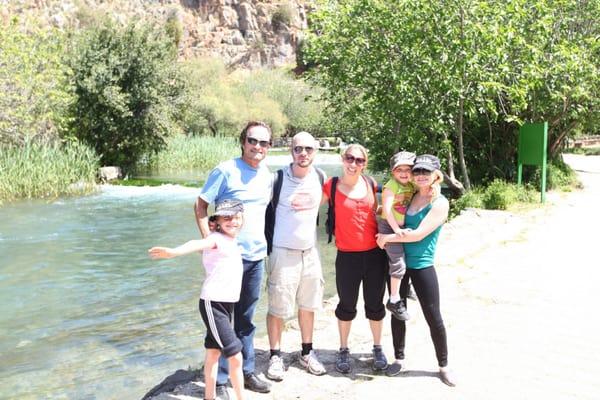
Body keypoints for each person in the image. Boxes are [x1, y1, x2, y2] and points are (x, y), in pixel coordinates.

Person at [194, 121, 272, 397]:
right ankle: (223, 381)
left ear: (269, 147)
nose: (258, 146)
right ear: (243, 141)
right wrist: (209, 243)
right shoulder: (225, 170)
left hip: (255, 257)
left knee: (247, 318)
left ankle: (247, 371)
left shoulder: (267, 175)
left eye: (264, 142)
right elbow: (201, 204)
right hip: (227, 261)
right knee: (224, 320)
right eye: (253, 140)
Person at [149, 199, 246, 400]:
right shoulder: (216, 239)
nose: (233, 221)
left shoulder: (234, 240)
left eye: (236, 217)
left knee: (213, 353)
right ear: (216, 221)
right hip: (213, 304)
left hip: (226, 304)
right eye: (226, 217)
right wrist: (173, 252)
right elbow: (197, 243)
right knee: (235, 356)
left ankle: (208, 397)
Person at [376, 154, 456, 386]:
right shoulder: (410, 194)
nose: (420, 176)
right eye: (417, 171)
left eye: (426, 172)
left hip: (422, 265)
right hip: (399, 266)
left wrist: (386, 237)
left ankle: (444, 365)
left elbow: (419, 234)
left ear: (436, 175)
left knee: (434, 317)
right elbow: (391, 209)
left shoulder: (439, 202)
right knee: (397, 312)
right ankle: (399, 359)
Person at [265, 132, 327, 382]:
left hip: (310, 251)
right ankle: (275, 355)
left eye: (308, 149)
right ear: (291, 151)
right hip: (283, 252)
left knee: (309, 304)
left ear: (315, 151)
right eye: (298, 149)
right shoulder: (277, 178)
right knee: (278, 307)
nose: (303, 153)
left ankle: (306, 352)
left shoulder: (320, 177)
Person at [322, 144, 389, 374]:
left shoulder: (370, 184)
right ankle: (343, 349)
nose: (353, 164)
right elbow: (308, 205)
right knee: (346, 305)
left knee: (375, 305)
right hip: (347, 257)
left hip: (374, 256)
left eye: (359, 160)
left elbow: (381, 211)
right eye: (350, 158)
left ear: (364, 164)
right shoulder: (330, 187)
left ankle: (378, 347)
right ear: (343, 159)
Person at [378, 151, 417, 321]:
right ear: (393, 172)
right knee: (398, 262)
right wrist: (395, 230)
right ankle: (394, 299)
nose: (403, 173)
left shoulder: (410, 185)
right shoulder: (391, 186)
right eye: (399, 169)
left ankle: (405, 286)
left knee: (407, 257)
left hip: (402, 226)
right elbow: (386, 209)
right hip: (389, 226)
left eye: (407, 169)